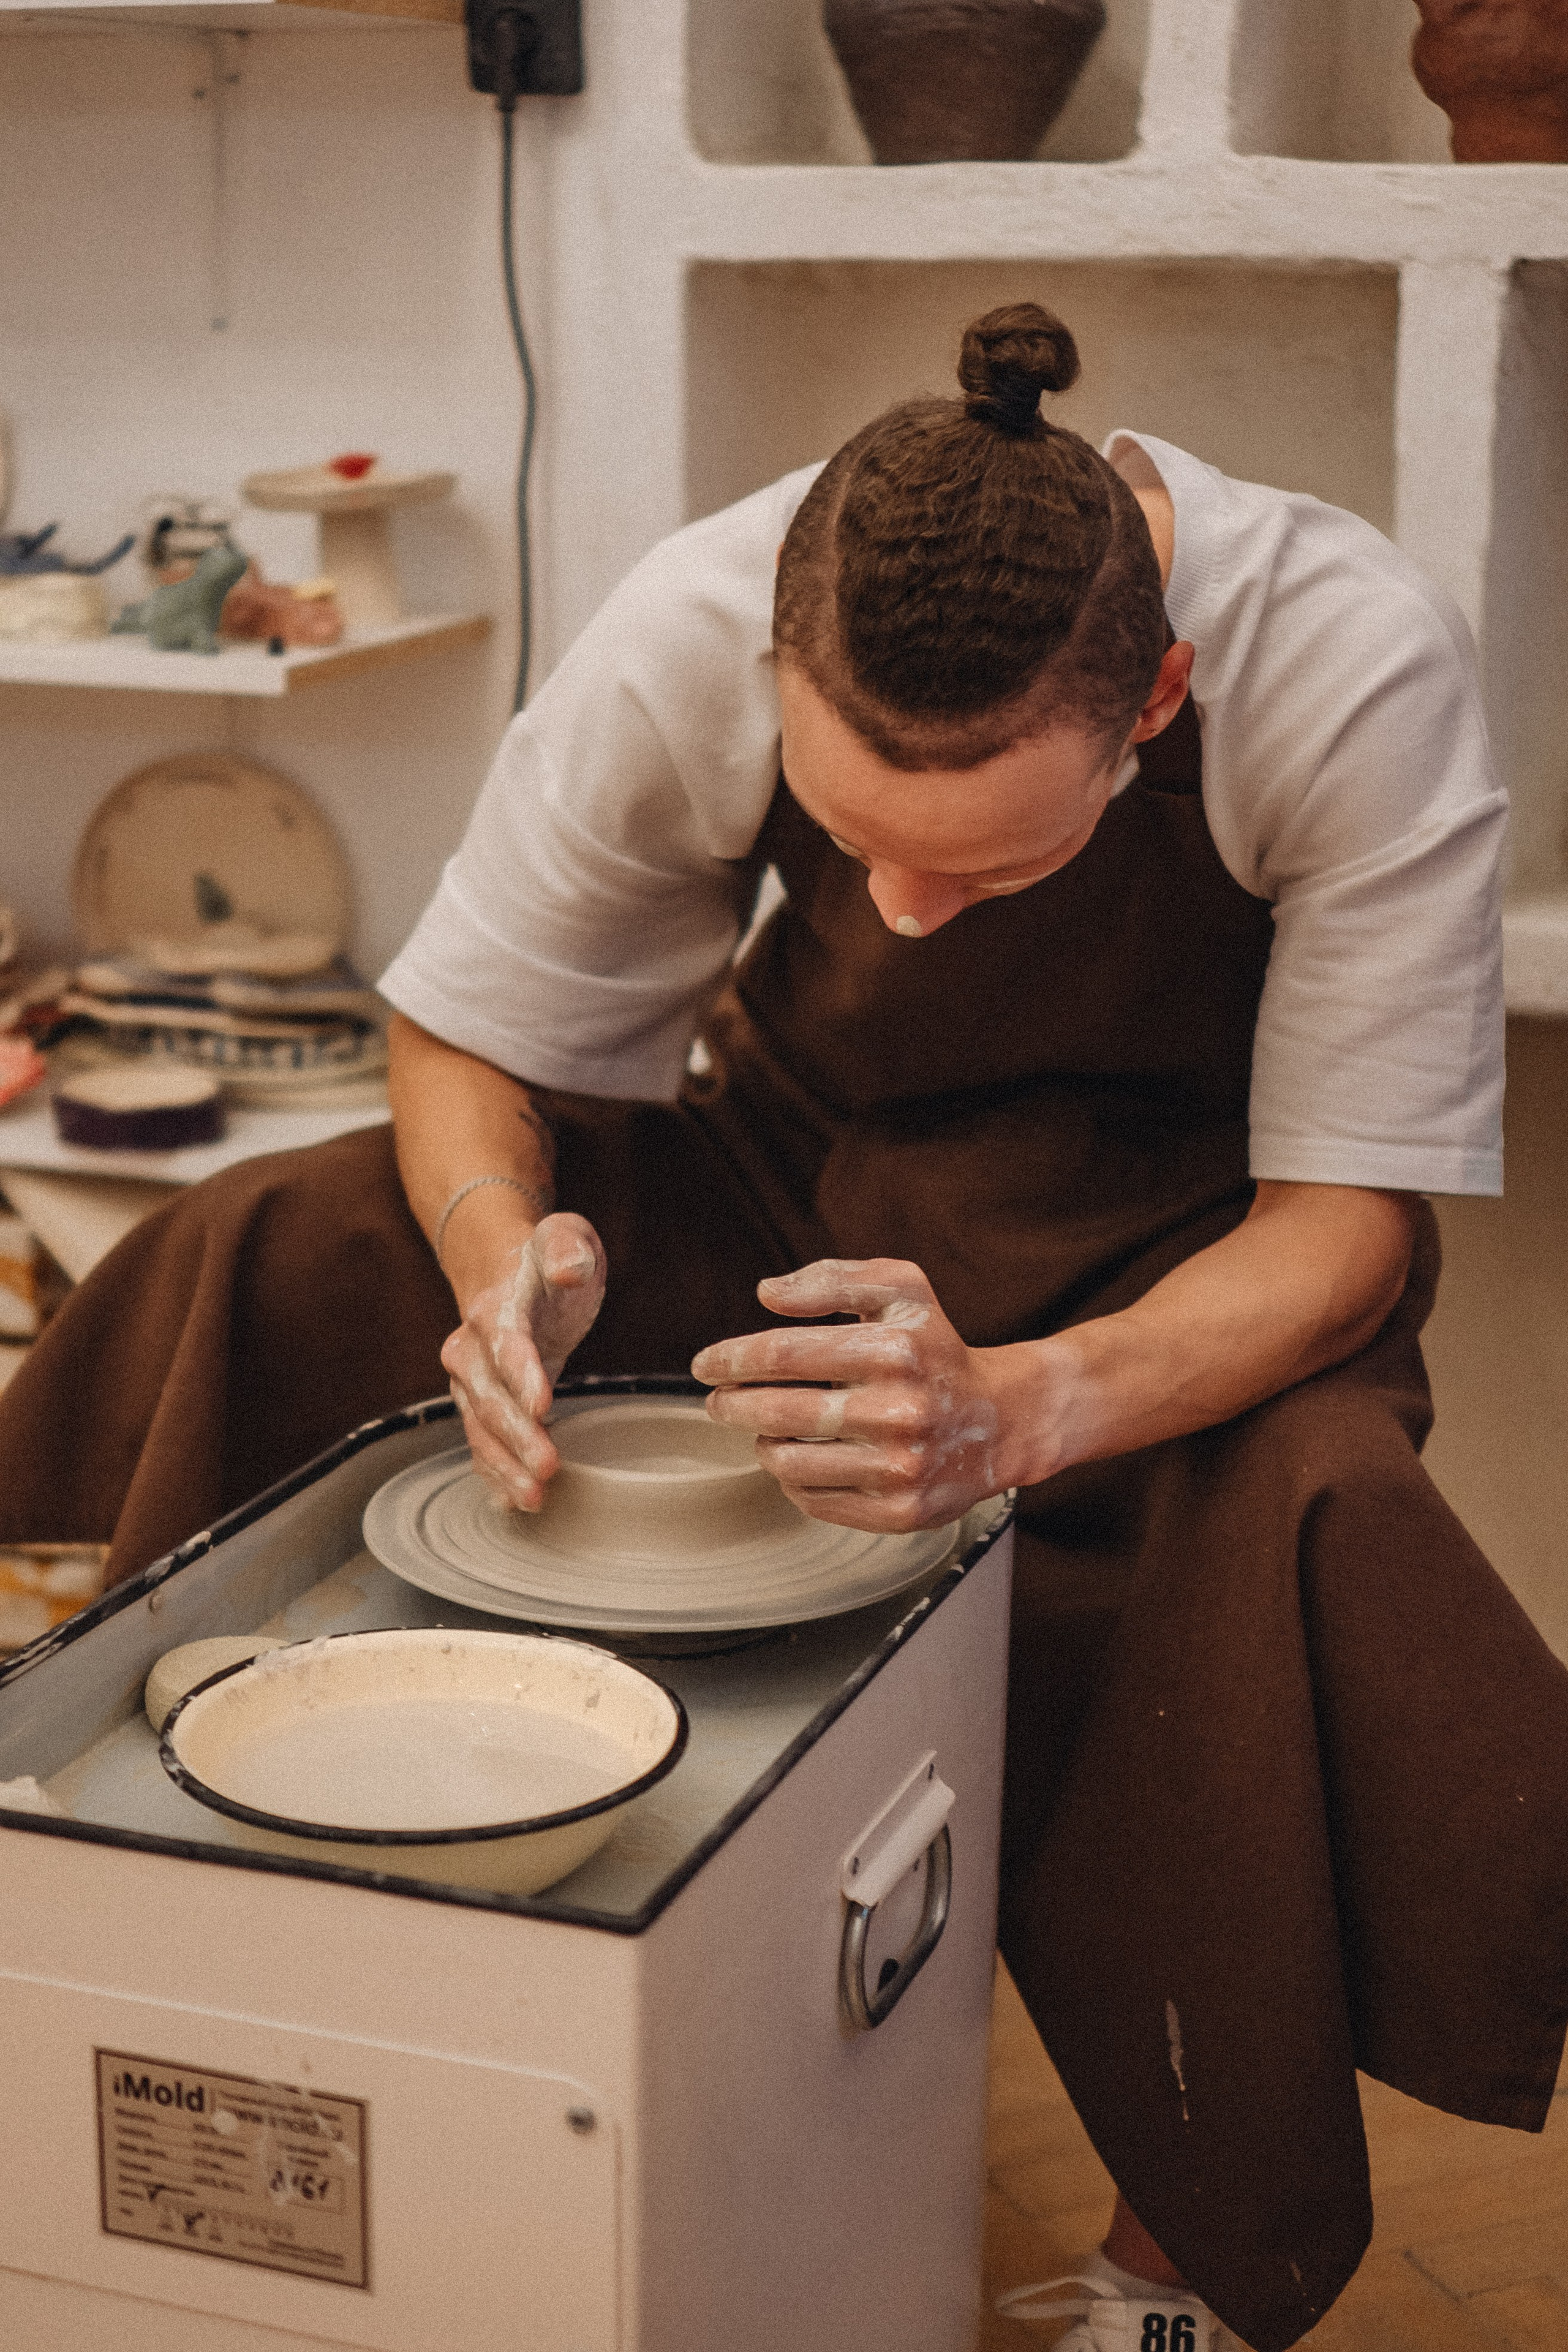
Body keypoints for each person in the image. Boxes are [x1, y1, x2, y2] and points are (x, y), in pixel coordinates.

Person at [3, 306, 1566, 2352]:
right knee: (289, 1236)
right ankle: (177, 1914)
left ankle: (1173, 2259)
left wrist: (1018, 1412)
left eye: (987, 857)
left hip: (1178, 1253)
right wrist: (502, 1252)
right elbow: (467, 1027)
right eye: (859, 848)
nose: (910, 912)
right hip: (803, 1188)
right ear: (778, 678)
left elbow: (1347, 1224)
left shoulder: (1345, 658)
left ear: (1156, 701)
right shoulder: (700, 616)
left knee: (1308, 1504)